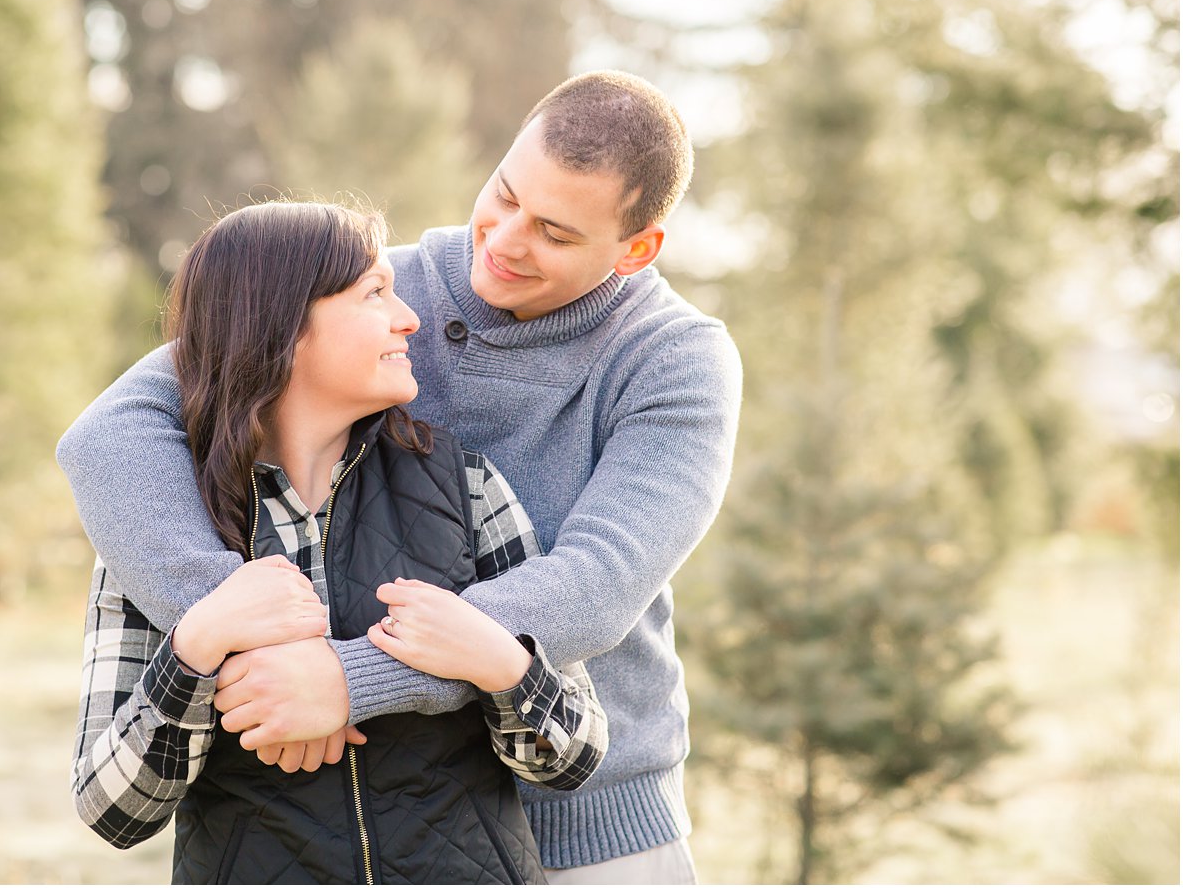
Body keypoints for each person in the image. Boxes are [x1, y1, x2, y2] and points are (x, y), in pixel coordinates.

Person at [59, 71, 743, 883]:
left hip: (595, 823)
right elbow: (111, 433)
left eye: (555, 233)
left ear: (638, 248)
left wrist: (347, 680)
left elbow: (592, 588)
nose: (506, 240)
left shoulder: (675, 359)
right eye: (505, 194)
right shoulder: (365, 295)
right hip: (365, 817)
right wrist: (255, 638)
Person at [71, 202, 608, 884]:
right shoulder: (160, 518)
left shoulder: (466, 483)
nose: (408, 317)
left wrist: (499, 660)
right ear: (284, 325)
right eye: (374, 293)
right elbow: (111, 809)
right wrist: (198, 644)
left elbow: (576, 754)